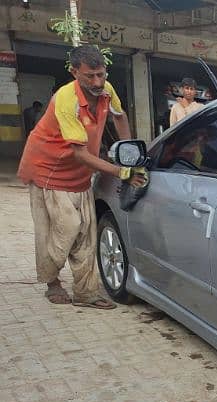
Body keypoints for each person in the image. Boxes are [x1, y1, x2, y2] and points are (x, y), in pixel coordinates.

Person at [17, 45, 146, 310]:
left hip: (80, 175)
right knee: (62, 231)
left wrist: (128, 153)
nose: (98, 82)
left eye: (102, 74)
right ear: (74, 72)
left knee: (87, 233)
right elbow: (79, 154)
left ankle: (86, 292)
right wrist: (122, 172)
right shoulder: (66, 99)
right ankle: (52, 282)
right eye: (90, 76)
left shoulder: (106, 91)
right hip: (48, 171)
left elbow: (120, 119)